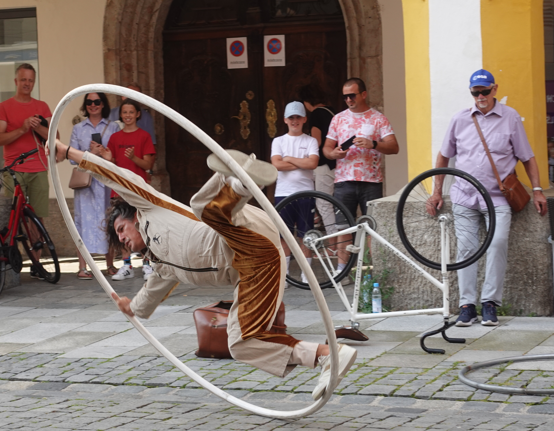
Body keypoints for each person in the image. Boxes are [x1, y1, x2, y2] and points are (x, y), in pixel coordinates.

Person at [50, 138, 357, 401]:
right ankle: (328, 356)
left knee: (202, 209)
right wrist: (130, 307)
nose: (122, 239)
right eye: (117, 238)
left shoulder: (149, 206)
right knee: (241, 343)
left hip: (243, 231)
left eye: (121, 228)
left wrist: (70, 154)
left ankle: (239, 180)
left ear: (132, 215)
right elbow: (147, 300)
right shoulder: (161, 268)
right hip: (257, 267)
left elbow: (116, 176)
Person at [430, 69, 547, 327]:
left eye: (485, 91)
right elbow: (443, 156)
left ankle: (490, 303)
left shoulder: (510, 117)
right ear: (471, 92)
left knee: (497, 244)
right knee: (467, 250)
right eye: (475, 92)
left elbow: (527, 157)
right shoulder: (460, 119)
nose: (480, 96)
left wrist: (537, 190)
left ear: (495, 89)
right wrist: (436, 191)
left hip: (497, 197)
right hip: (464, 195)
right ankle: (467, 305)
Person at [322, 78, 399, 272]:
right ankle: (342, 270)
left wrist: (373, 144)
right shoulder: (338, 118)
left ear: (363, 94)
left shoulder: (378, 118)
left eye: (352, 95)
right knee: (342, 228)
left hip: (371, 181)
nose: (348, 99)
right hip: (344, 180)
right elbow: (326, 149)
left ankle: (374, 270)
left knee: (372, 227)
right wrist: (335, 153)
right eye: (345, 96)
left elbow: (393, 147)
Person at [0, 63, 53, 279]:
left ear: (33, 82)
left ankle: (36, 263)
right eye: (23, 79)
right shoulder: (4, 107)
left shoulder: (42, 106)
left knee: (36, 217)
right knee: (12, 216)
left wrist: (37, 127)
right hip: (13, 169)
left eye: (30, 80)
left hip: (38, 166)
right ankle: (11, 259)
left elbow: (53, 137)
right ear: (16, 82)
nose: (27, 83)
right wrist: (22, 128)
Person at [102, 99, 156, 281]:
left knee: (142, 225)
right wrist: (108, 159)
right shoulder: (115, 138)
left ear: (138, 114)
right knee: (121, 227)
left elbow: (148, 164)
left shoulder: (144, 136)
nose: (127, 116)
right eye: (124, 112)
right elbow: (113, 165)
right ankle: (127, 265)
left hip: (139, 189)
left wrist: (134, 158)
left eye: (131, 112)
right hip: (119, 189)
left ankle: (147, 264)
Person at [69, 92, 120, 280]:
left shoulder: (113, 127)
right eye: (89, 102)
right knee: (83, 223)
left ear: (103, 104)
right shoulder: (78, 128)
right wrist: (89, 153)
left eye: (97, 101)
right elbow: (71, 158)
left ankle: (110, 264)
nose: (93, 105)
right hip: (86, 183)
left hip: (106, 181)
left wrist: (104, 153)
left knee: (108, 221)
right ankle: (82, 267)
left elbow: (116, 157)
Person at [271, 101, 319, 284]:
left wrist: (289, 159)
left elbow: (312, 163)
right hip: (283, 193)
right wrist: (301, 161)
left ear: (304, 119)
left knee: (306, 235)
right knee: (284, 236)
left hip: (305, 192)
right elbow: (277, 164)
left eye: (298, 117)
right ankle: (285, 276)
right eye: (291, 117)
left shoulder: (311, 141)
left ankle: (307, 275)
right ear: (285, 119)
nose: (295, 121)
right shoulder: (278, 141)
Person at [298, 84, 338, 256]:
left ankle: (333, 246)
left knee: (324, 204)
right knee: (333, 205)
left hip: (323, 165)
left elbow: (316, 141)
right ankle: (337, 243)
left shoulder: (316, 114)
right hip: (336, 163)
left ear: (307, 102)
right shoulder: (332, 112)